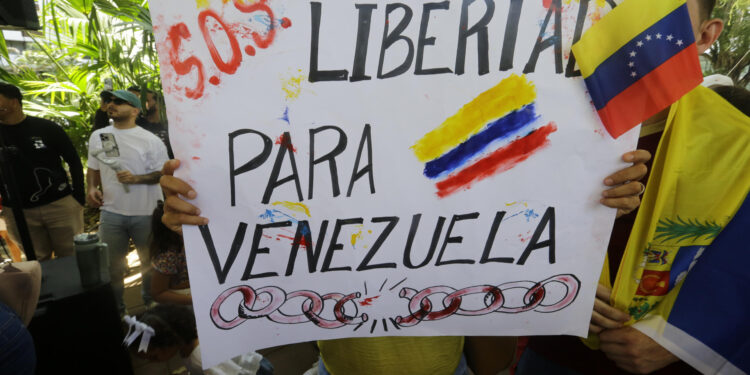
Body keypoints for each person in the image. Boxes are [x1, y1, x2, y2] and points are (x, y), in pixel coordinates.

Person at [158, 145, 649, 375]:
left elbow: (493, 357)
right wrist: (203, 214)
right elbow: (263, 257)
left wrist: (591, 195)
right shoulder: (312, 180)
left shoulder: (476, 182)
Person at [518, 0, 727, 374]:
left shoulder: (737, 145)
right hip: (554, 351)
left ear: (705, 35)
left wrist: (683, 338)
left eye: (661, 10)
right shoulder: (534, 118)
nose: (632, 23)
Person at [87, 90, 169, 314]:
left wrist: (136, 178)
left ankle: (151, 311)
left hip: (146, 212)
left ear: (135, 110)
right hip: (111, 213)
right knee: (111, 268)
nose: (112, 105)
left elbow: (163, 174)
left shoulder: (149, 140)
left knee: (149, 266)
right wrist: (92, 188)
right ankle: (117, 314)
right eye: (110, 101)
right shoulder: (102, 136)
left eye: (119, 102)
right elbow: (94, 167)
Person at [0, 82, 85, 260]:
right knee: (38, 263)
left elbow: (73, 161)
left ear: (14, 102)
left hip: (59, 204)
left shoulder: (46, 128)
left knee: (71, 257)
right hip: (18, 211)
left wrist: (78, 198)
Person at [125, 304, 274, 375]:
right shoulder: (192, 338)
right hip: (249, 363)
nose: (153, 362)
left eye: (154, 357)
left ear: (169, 341)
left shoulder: (200, 359)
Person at [149, 202, 191, 306]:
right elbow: (158, 293)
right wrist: (194, 300)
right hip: (182, 303)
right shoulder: (168, 256)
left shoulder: (193, 244)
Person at [128, 86, 173, 158]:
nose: (141, 104)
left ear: (158, 102)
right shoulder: (136, 125)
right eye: (140, 101)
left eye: (146, 101)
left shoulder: (172, 123)